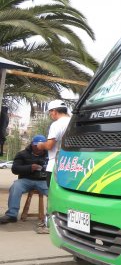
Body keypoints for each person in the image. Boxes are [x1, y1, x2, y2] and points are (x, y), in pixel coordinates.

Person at [33, 99, 71, 234]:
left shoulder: (57, 124)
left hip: (55, 165)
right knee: (69, 196)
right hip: (72, 166)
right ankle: (68, 224)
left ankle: (49, 224)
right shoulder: (74, 122)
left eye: (50, 113)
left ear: (54, 111)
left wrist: (40, 145)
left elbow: (49, 146)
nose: (50, 115)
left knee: (53, 196)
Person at [0, 135, 49, 224]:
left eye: (41, 145)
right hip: (26, 180)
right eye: (36, 145)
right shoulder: (22, 154)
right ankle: (11, 215)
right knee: (15, 186)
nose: (38, 147)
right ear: (32, 144)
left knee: (53, 192)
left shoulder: (50, 154)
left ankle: (52, 216)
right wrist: (30, 167)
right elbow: (15, 169)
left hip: (43, 181)